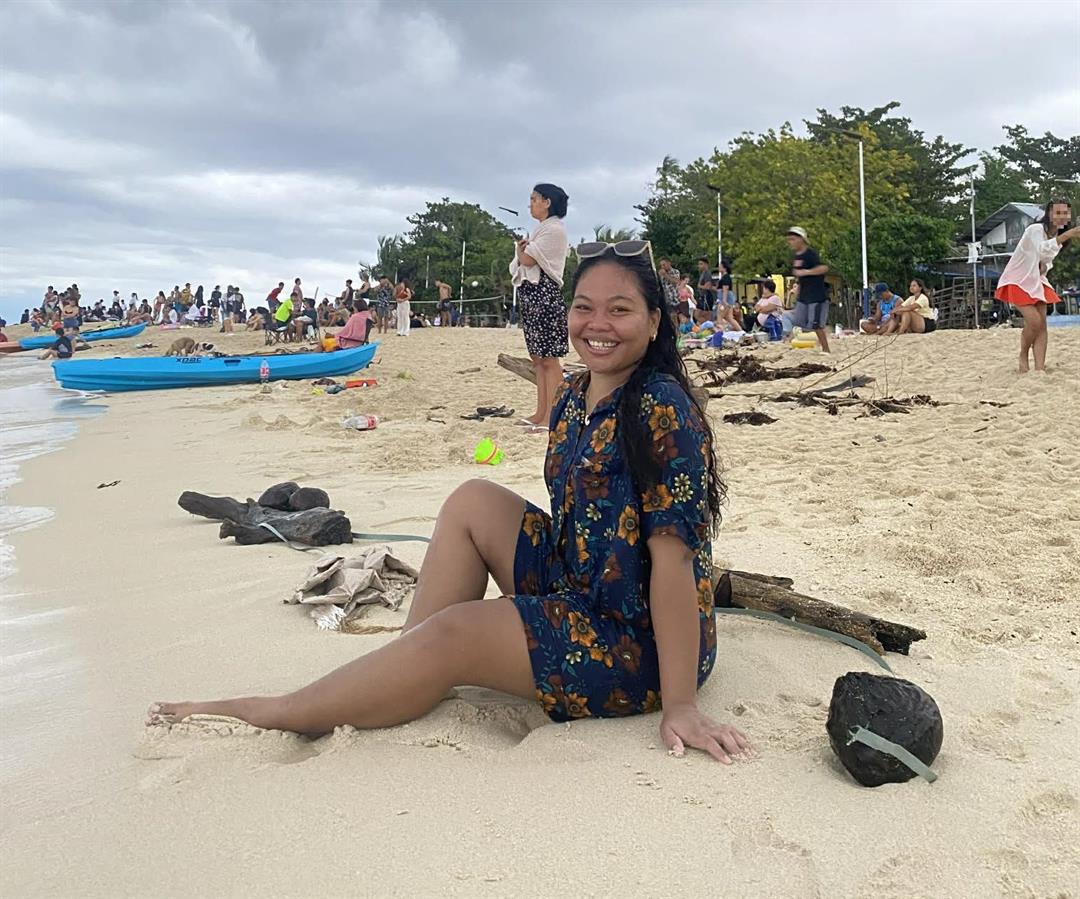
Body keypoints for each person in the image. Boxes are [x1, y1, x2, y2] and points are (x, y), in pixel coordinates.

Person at [147, 239, 749, 764]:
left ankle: (284, 710)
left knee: (458, 632)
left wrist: (681, 705)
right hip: (579, 581)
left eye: (620, 310)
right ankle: (408, 663)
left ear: (654, 321)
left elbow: (674, 560)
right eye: (584, 307)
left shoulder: (661, 408)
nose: (598, 324)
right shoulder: (573, 395)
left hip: (638, 640)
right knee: (472, 500)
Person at [509, 183, 571, 428]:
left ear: (547, 202)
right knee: (538, 358)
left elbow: (527, 259)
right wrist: (522, 250)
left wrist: (521, 250)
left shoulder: (554, 229)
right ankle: (541, 412)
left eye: (534, 199)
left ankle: (552, 415)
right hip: (532, 296)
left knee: (549, 359)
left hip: (545, 295)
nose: (530, 204)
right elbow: (525, 259)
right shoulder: (541, 229)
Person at [994, 199, 1077, 373]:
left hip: (1037, 279)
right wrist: (1068, 235)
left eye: (1065, 213)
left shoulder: (1056, 237)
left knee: (1042, 324)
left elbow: (1046, 260)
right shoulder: (1035, 229)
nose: (1062, 216)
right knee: (1034, 321)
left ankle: (1039, 367)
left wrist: (1045, 266)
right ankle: (1023, 353)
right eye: (1058, 212)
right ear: (1049, 214)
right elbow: (1041, 249)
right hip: (1018, 279)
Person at [786, 226, 831, 353]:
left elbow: (824, 268)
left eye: (793, 239)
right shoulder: (797, 257)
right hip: (803, 296)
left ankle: (826, 348)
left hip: (816, 296)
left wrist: (806, 272)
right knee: (798, 322)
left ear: (801, 239)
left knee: (816, 325)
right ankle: (792, 344)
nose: (790, 242)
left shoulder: (811, 254)